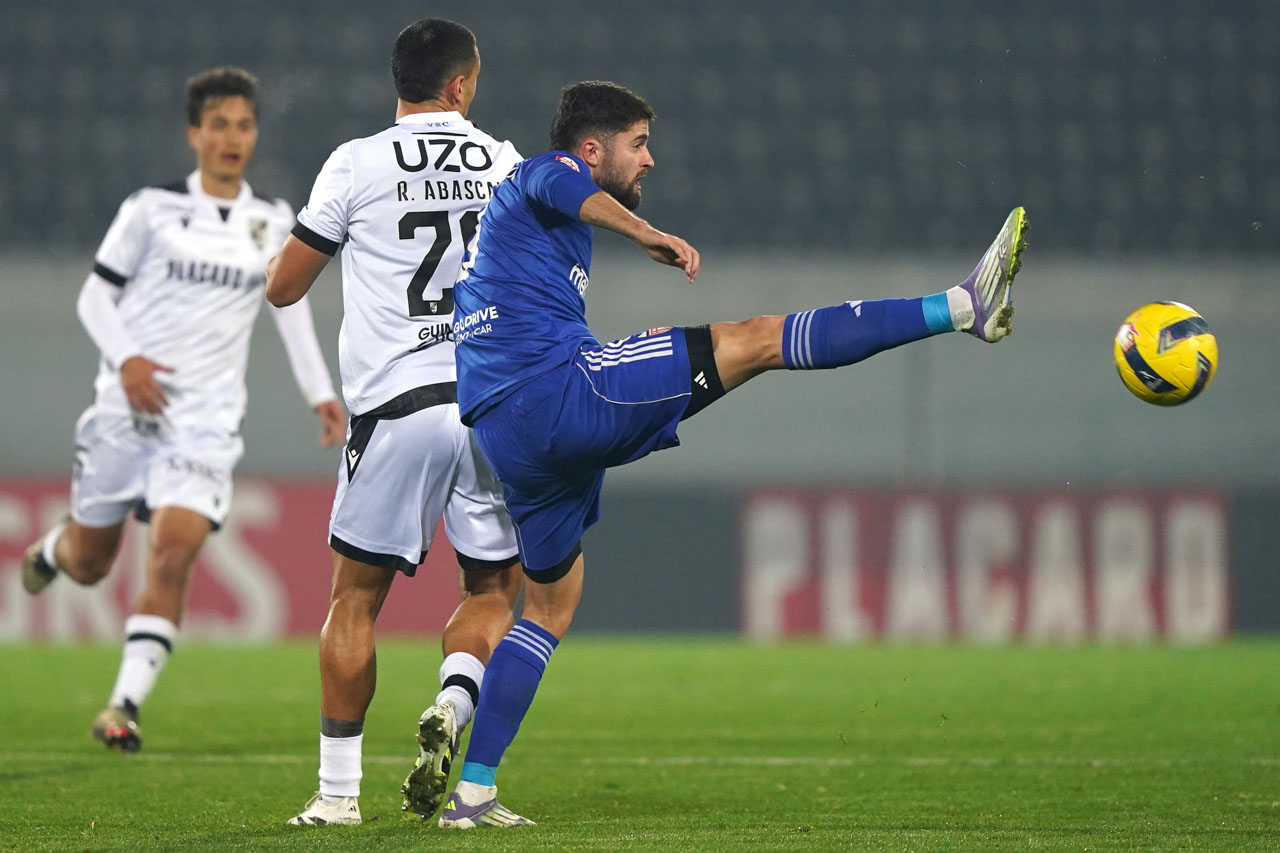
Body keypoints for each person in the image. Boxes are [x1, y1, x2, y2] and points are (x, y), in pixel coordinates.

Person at [436, 80, 1029, 828]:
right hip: (558, 390)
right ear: (591, 149)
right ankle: (961, 306)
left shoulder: (522, 226)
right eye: (638, 144)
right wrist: (645, 234)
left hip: (506, 434)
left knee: (550, 604)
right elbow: (566, 186)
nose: (649, 159)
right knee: (757, 339)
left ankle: (473, 793)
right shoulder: (546, 171)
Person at [20, 67, 344, 753]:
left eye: (244, 125)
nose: (233, 138)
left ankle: (123, 705)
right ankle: (54, 547)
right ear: (194, 133)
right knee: (90, 563)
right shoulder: (151, 209)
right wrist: (128, 360)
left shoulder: (272, 221)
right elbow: (94, 297)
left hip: (205, 422)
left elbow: (288, 309)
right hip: (125, 410)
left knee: (172, 555)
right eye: (219, 125)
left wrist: (320, 392)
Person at [265, 19, 526, 827]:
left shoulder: (357, 162)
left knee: (354, 600)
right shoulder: (505, 163)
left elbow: (282, 287)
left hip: (396, 405)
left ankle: (338, 794)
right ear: (462, 84)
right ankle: (454, 698)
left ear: (399, 82)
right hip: (490, 403)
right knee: (493, 587)